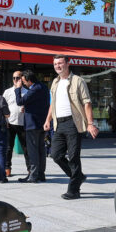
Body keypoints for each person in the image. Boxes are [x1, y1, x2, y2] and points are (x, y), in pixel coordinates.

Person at [43, 55, 98, 199]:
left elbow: (87, 102)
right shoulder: (55, 82)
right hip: (58, 123)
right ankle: (78, 176)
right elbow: (53, 104)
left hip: (73, 123)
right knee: (56, 155)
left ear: (68, 64)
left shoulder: (77, 81)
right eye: (55, 64)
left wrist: (90, 124)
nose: (57, 66)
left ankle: (74, 190)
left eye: (60, 63)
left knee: (73, 157)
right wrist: (48, 120)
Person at [15, 70, 50, 183]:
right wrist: (28, 107)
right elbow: (37, 103)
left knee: (33, 150)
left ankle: (33, 175)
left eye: (24, 81)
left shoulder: (34, 89)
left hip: (33, 125)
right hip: (41, 123)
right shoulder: (43, 87)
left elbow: (20, 101)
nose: (23, 83)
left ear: (29, 80)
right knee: (41, 150)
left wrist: (18, 89)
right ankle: (41, 174)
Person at [3, 70, 29, 177]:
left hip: (23, 123)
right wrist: (5, 121)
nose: (15, 80)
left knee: (26, 147)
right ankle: (7, 168)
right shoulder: (7, 92)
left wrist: (26, 109)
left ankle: (30, 169)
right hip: (10, 123)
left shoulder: (27, 92)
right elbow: (3, 107)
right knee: (9, 147)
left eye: (17, 78)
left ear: (22, 78)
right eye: (14, 78)